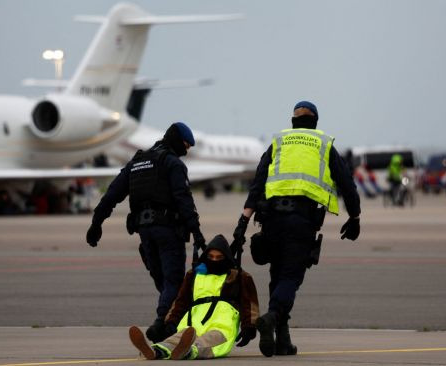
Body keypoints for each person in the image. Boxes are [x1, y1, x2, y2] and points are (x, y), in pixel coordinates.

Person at [232, 101, 361, 357]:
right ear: (315, 121)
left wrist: (242, 224)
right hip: (300, 221)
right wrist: (355, 217)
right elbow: (347, 183)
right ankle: (271, 317)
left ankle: (282, 340)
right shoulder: (324, 145)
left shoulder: (278, 143)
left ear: (293, 120)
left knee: (277, 275)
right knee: (291, 277)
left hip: (271, 220)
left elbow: (257, 184)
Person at [86, 122, 206, 343]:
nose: (186, 150)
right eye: (186, 145)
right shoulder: (173, 164)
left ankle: (171, 324)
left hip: (145, 232)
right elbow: (183, 199)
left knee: (162, 281)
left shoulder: (137, 162)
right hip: (168, 231)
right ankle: (162, 324)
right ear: (177, 141)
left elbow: (112, 193)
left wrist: (97, 222)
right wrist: (197, 232)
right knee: (174, 280)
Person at [128, 234, 259, 360]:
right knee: (175, 339)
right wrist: (171, 322)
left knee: (210, 341)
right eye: (211, 256)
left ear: (227, 258)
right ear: (205, 256)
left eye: (219, 257)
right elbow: (181, 301)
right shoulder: (194, 275)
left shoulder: (239, 276)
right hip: (192, 322)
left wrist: (249, 327)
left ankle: (189, 352)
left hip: (222, 324)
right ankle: (156, 351)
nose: (214, 260)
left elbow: (249, 304)